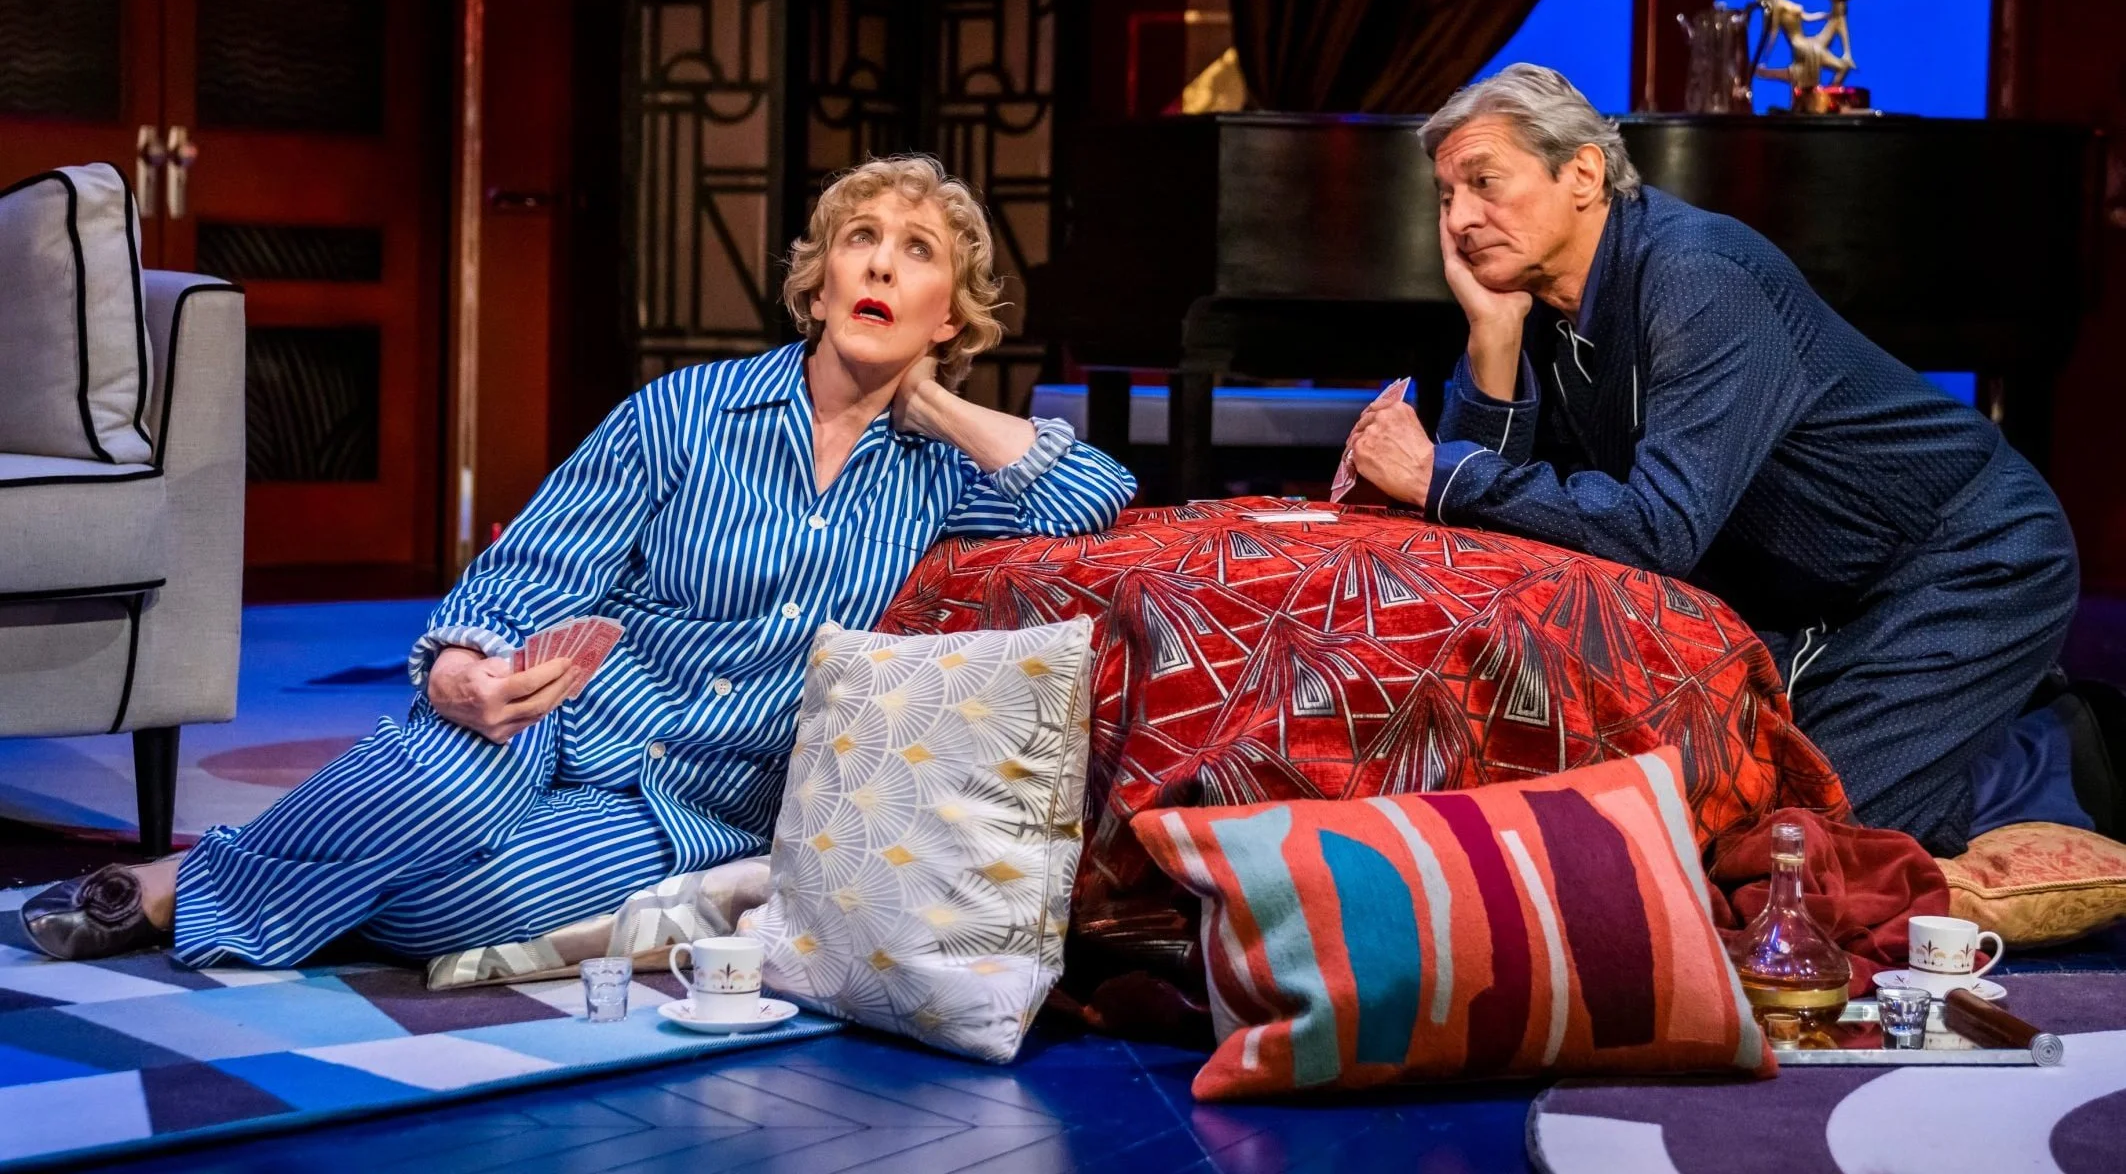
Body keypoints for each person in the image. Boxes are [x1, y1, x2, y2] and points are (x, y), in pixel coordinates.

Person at [26, 155, 1137, 965]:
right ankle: (173, 887)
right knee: (440, 782)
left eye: (916, 251)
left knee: (445, 909)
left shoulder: (942, 473)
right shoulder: (686, 410)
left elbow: (1096, 497)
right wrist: (463, 660)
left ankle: (227, 872)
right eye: (860, 239)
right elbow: (540, 563)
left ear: (950, 312)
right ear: (817, 278)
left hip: (696, 793)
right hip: (562, 707)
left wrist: (930, 397)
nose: (879, 263)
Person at [1343, 63, 2119, 856]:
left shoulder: (1699, 275)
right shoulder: (1542, 305)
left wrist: (1445, 471)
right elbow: (1497, 548)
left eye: (1484, 182)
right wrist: (1492, 335)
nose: (1462, 218)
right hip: (1814, 597)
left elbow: (1657, 532)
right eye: (1446, 197)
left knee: (1802, 846)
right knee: (1726, 805)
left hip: (1970, 558)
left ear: (1580, 173)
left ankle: (2053, 758)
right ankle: (1962, 724)